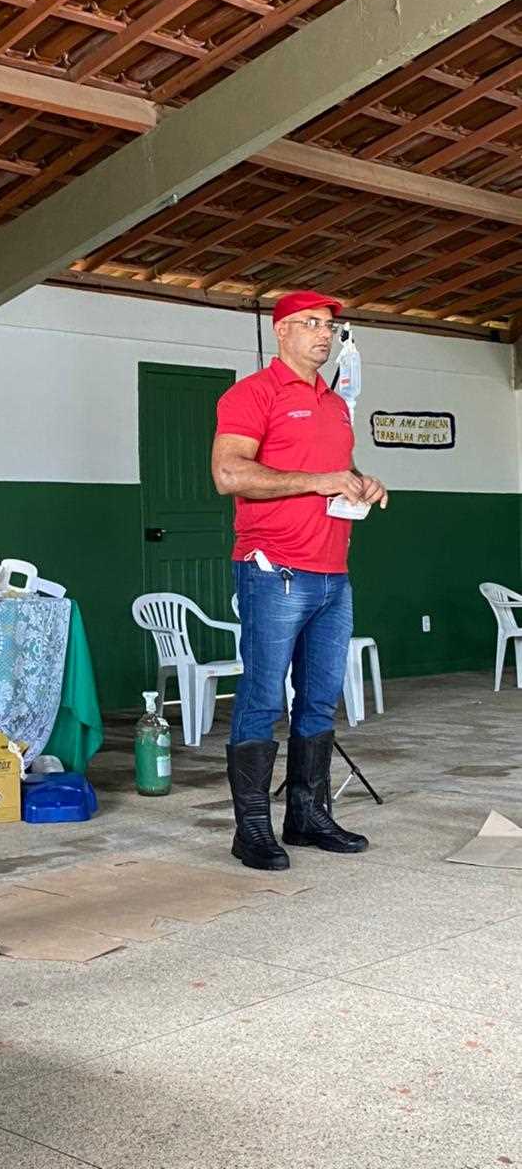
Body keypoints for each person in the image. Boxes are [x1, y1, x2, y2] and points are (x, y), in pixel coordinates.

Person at [211, 290, 388, 872]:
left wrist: (362, 482)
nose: (324, 334)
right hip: (274, 570)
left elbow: (335, 473)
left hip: (334, 573)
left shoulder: (336, 404)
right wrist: (319, 481)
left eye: (331, 326)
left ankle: (306, 816)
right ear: (281, 331)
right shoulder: (251, 395)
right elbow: (229, 473)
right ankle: (253, 830)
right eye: (310, 323)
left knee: (318, 701)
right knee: (262, 698)